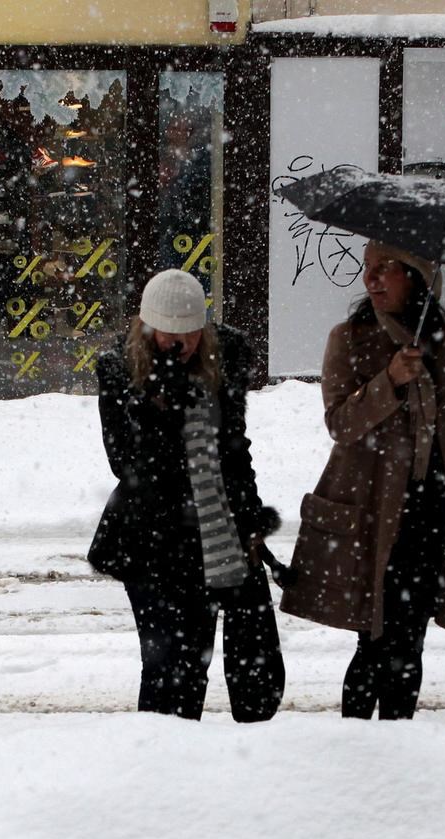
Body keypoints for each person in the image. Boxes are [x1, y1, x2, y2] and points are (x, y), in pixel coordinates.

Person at [280, 241, 445, 720]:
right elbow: (341, 424)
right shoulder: (350, 338)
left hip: (428, 512)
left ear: (417, 277)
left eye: (386, 268)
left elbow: (439, 422)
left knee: (411, 643)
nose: (371, 278)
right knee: (374, 641)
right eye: (368, 267)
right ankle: (358, 745)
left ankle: (399, 742)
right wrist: (389, 380)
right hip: (374, 513)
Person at [88, 269, 284, 722]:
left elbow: (233, 448)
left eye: (191, 333)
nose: (181, 343)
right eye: (168, 335)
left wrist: (250, 515)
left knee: (228, 664)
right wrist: (162, 405)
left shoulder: (226, 355)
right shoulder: (119, 367)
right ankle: (162, 754)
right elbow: (126, 463)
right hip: (150, 539)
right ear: (147, 328)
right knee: (170, 670)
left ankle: (222, 753)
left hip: (213, 530)